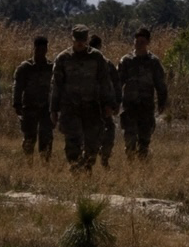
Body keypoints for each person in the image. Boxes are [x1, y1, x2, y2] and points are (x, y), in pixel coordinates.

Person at [50, 24, 116, 173]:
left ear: (86, 40)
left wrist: (109, 104)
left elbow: (105, 81)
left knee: (92, 144)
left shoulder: (97, 57)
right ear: (72, 40)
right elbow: (56, 85)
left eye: (82, 40)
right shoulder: (63, 58)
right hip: (70, 107)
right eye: (77, 40)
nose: (80, 43)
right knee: (72, 143)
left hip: (91, 107)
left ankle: (87, 168)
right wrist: (53, 109)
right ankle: (75, 171)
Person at [118, 27, 169, 160]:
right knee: (130, 140)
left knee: (144, 142)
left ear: (147, 42)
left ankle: (142, 167)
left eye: (142, 41)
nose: (139, 43)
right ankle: (130, 166)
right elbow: (117, 83)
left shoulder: (153, 62)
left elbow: (160, 84)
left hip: (146, 108)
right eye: (137, 41)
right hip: (129, 107)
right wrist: (114, 102)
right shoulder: (126, 61)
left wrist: (162, 102)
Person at [12, 35, 54, 163]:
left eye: (44, 49)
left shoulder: (51, 67)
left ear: (47, 49)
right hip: (29, 108)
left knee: (46, 137)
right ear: (34, 49)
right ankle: (28, 161)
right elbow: (17, 87)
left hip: (46, 109)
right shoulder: (25, 68)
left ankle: (45, 162)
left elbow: (57, 87)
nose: (41, 52)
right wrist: (17, 105)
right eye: (38, 49)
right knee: (29, 137)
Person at [89, 33, 121, 168]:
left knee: (108, 132)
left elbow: (116, 84)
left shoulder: (107, 64)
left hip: (103, 106)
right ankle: (90, 161)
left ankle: (104, 159)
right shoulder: (83, 63)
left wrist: (115, 104)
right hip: (89, 105)